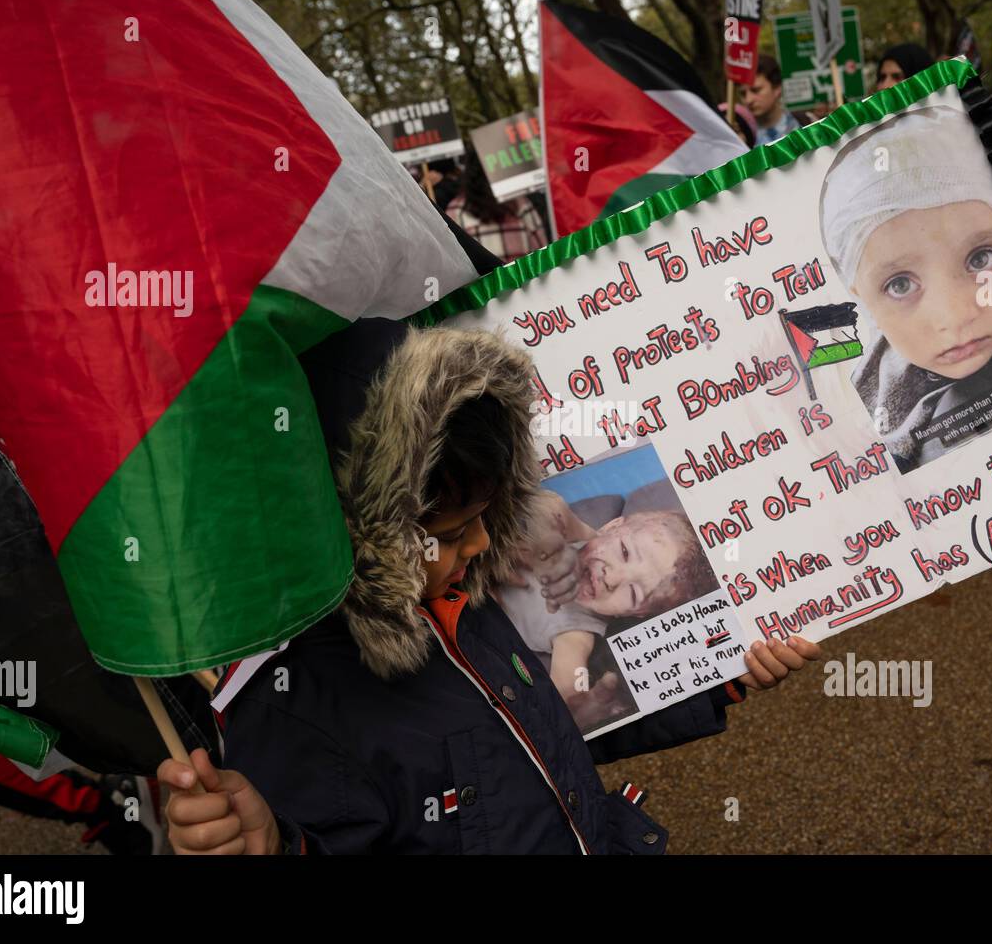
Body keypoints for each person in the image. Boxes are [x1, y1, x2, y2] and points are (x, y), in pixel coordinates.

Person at [157, 320, 821, 854]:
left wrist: (712, 675)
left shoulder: (467, 603)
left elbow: (553, 731)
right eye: (450, 533)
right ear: (357, 537)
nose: (479, 546)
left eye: (485, 518)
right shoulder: (291, 710)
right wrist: (275, 845)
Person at [820, 105, 992, 471]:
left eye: (980, 259)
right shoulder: (864, 391)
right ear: (859, 295)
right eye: (900, 284)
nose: (954, 316)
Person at [498, 491, 717, 730]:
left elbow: (570, 679)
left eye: (633, 593)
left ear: (635, 613)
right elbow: (555, 511)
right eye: (624, 551)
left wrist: (580, 707)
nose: (612, 579)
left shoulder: (576, 632)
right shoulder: (571, 534)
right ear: (612, 525)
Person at [445, 149, 547, 261]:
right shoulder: (520, 203)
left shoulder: (456, 210)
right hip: (523, 271)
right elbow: (542, 254)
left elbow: (453, 259)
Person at [743, 54, 801, 144]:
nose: (748, 100)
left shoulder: (806, 123)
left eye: (756, 90)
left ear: (777, 88)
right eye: (743, 94)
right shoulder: (741, 138)